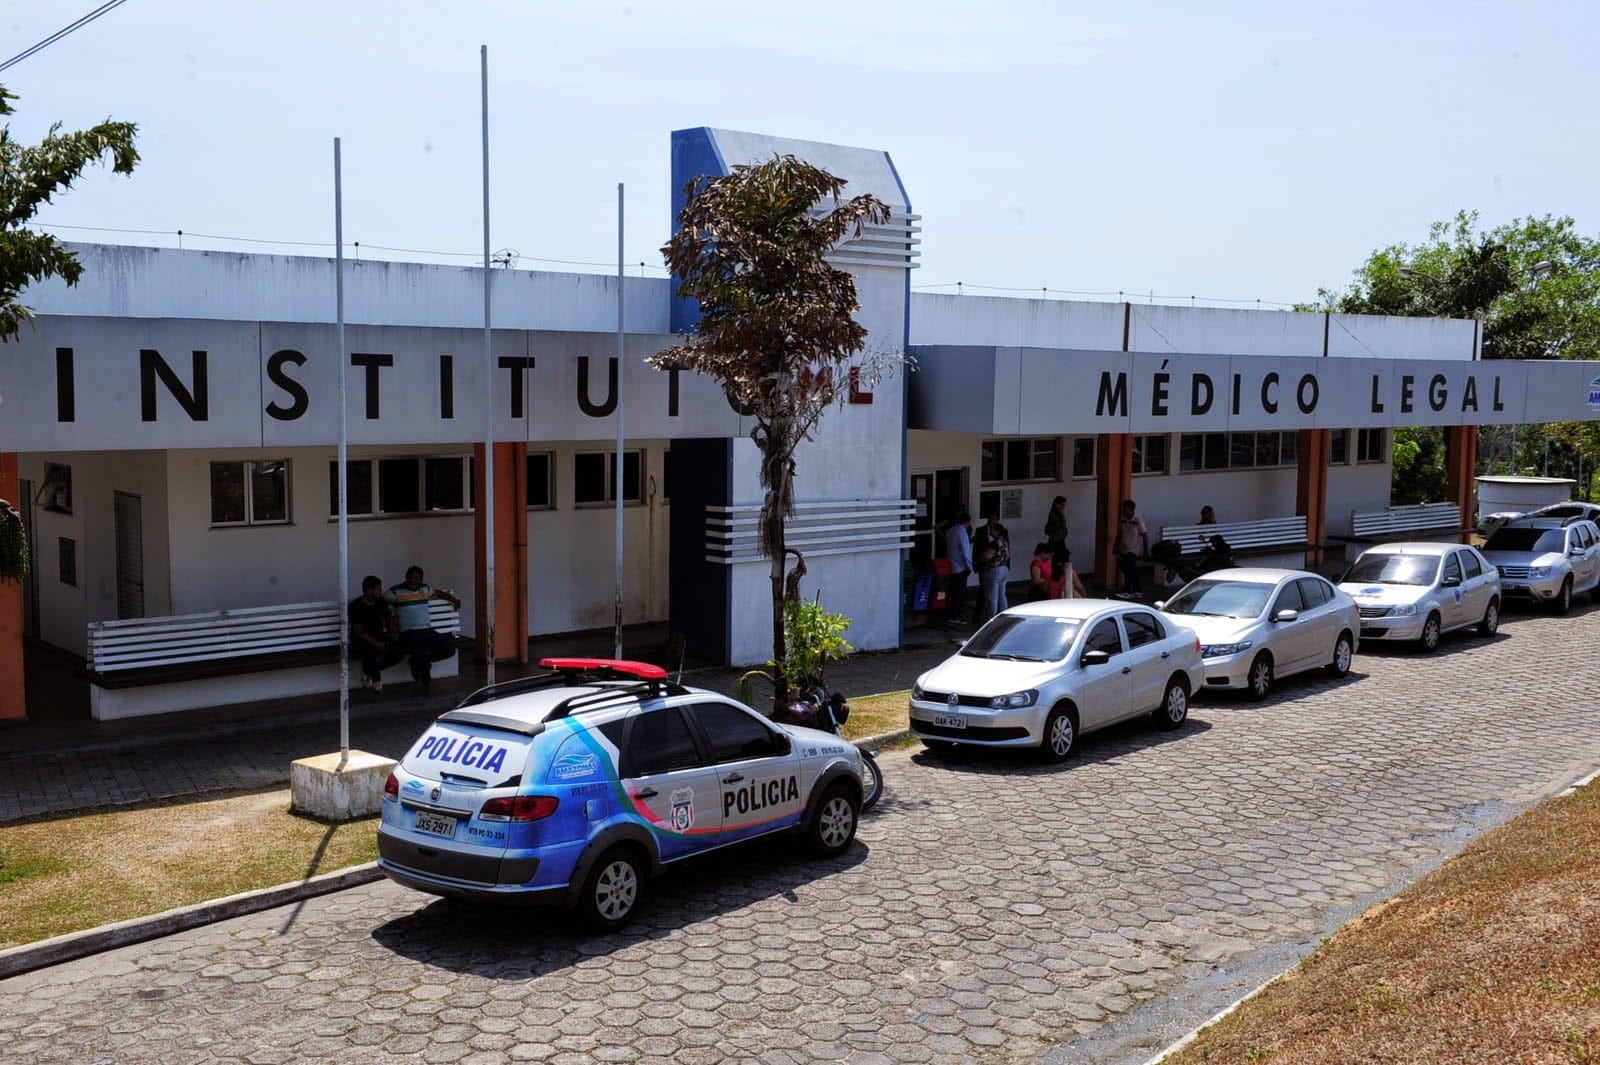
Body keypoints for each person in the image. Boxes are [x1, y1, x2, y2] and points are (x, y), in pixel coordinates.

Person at [388, 564, 462, 688]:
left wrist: (454, 600)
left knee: (449, 649)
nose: (413, 580)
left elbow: (438, 593)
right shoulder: (395, 591)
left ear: (421, 580)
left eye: (416, 578)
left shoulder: (425, 589)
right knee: (418, 651)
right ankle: (424, 671)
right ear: (406, 577)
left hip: (426, 630)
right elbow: (380, 600)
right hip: (408, 632)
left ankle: (421, 662)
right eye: (410, 577)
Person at [348, 575, 406, 692]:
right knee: (369, 652)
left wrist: (390, 632)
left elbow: (388, 615)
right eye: (378, 589)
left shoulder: (380, 601)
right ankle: (376, 677)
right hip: (362, 639)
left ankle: (370, 670)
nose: (381, 591)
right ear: (369, 590)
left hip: (379, 636)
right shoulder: (356, 606)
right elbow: (358, 632)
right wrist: (376, 644)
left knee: (400, 651)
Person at [973, 511, 1011, 625]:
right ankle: (1004, 617)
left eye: (993, 530)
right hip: (1003, 569)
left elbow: (986, 556)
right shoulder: (1004, 542)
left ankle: (990, 620)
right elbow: (1007, 556)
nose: (990, 531)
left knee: (992, 598)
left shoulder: (994, 543)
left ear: (997, 531)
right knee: (1002, 595)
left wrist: (978, 561)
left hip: (993, 570)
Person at [941, 511, 973, 627]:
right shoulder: (962, 533)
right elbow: (965, 552)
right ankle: (956, 615)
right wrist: (969, 566)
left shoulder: (950, 531)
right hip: (961, 566)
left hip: (951, 564)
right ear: (968, 522)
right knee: (959, 593)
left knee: (952, 591)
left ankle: (950, 613)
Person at [1115, 498, 1149, 599]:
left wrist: (1145, 551)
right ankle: (1137, 590)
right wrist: (1115, 546)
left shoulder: (1138, 520)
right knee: (1131, 570)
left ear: (1131, 509)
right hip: (1123, 549)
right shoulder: (1123, 519)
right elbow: (1119, 533)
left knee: (1129, 569)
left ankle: (1127, 591)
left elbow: (1144, 535)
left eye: (1125, 509)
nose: (1124, 511)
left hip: (1133, 550)